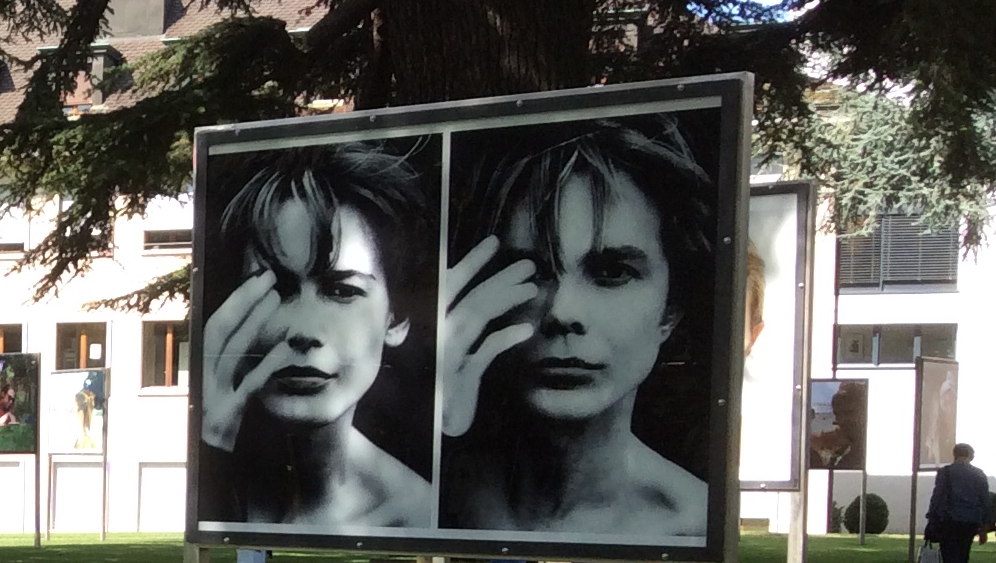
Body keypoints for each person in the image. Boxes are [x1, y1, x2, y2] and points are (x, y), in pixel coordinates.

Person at [439, 118, 714, 540]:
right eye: (531, 271)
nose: (562, 312)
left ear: (671, 308)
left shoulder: (694, 525)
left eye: (612, 272)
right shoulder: (427, 499)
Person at [200, 142, 434, 529]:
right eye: (277, 290)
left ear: (397, 317)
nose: (304, 331)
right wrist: (213, 443)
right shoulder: (221, 478)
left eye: (342, 291)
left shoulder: (419, 515)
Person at [924, 442, 996, 563]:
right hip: (971, 519)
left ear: (955, 454)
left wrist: (932, 515)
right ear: (970, 455)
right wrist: (986, 524)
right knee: (963, 554)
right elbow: (985, 500)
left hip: (949, 519)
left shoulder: (945, 472)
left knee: (949, 553)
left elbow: (937, 495)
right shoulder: (978, 474)